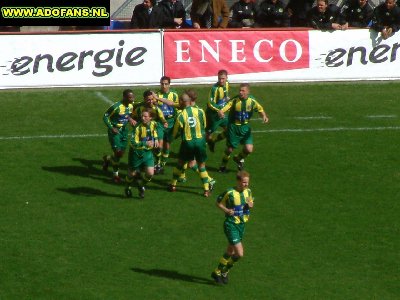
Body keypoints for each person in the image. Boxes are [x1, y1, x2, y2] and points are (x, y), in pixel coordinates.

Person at [210, 170, 254, 285]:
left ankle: (219, 271)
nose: (246, 184)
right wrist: (227, 210)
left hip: (241, 225)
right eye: (244, 182)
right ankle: (223, 271)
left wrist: (250, 205)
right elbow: (218, 203)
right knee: (239, 253)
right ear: (238, 181)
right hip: (231, 224)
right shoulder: (229, 192)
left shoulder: (248, 191)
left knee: (230, 250)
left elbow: (250, 202)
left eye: (247, 182)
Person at [169, 91, 214, 197]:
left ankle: (173, 185)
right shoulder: (200, 111)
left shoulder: (181, 115)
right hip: (200, 141)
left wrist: (172, 138)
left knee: (180, 163)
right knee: (201, 165)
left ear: (182, 102)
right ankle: (206, 190)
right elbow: (204, 125)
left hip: (187, 143)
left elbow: (175, 132)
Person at [217, 83, 269, 173]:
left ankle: (238, 158)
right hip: (233, 127)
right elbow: (225, 108)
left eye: (243, 91)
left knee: (249, 149)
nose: (240, 92)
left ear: (248, 92)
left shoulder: (252, 101)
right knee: (229, 149)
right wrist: (221, 112)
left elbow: (260, 109)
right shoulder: (235, 100)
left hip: (245, 128)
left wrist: (264, 116)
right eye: (240, 90)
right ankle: (223, 166)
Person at [102, 89, 136, 183]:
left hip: (124, 131)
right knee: (118, 153)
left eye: (133, 97)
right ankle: (115, 175)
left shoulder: (131, 105)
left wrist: (130, 119)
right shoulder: (116, 107)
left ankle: (107, 159)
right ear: (124, 97)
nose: (132, 99)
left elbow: (126, 115)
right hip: (115, 131)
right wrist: (111, 127)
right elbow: (105, 116)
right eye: (130, 97)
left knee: (120, 154)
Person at [125, 109, 159, 199]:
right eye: (142, 116)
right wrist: (145, 143)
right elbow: (132, 142)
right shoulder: (137, 127)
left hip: (147, 153)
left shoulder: (154, 124)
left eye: (145, 116)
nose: (142, 118)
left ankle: (141, 185)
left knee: (150, 173)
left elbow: (155, 131)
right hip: (136, 154)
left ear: (151, 118)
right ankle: (128, 187)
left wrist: (155, 139)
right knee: (131, 175)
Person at [133, 90, 168, 173]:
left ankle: (158, 163)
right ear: (144, 99)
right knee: (143, 146)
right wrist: (131, 120)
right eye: (149, 99)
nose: (151, 101)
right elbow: (131, 116)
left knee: (158, 146)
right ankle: (142, 164)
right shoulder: (139, 108)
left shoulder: (156, 108)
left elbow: (162, 119)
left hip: (156, 127)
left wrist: (165, 123)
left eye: (152, 99)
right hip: (143, 127)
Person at [153, 76, 180, 173]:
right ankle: (158, 162)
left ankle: (161, 164)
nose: (164, 86)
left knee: (167, 145)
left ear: (169, 84)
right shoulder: (156, 95)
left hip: (171, 122)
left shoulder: (174, 94)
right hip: (160, 122)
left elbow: (177, 106)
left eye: (166, 84)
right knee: (159, 145)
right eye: (162, 84)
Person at [206, 69, 230, 153]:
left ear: (227, 78)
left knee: (229, 130)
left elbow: (225, 95)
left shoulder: (227, 84)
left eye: (223, 78)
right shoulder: (214, 89)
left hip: (221, 114)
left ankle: (214, 141)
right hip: (213, 116)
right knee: (208, 135)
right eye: (219, 78)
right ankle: (207, 144)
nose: (221, 80)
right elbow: (210, 103)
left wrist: (226, 99)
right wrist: (219, 110)